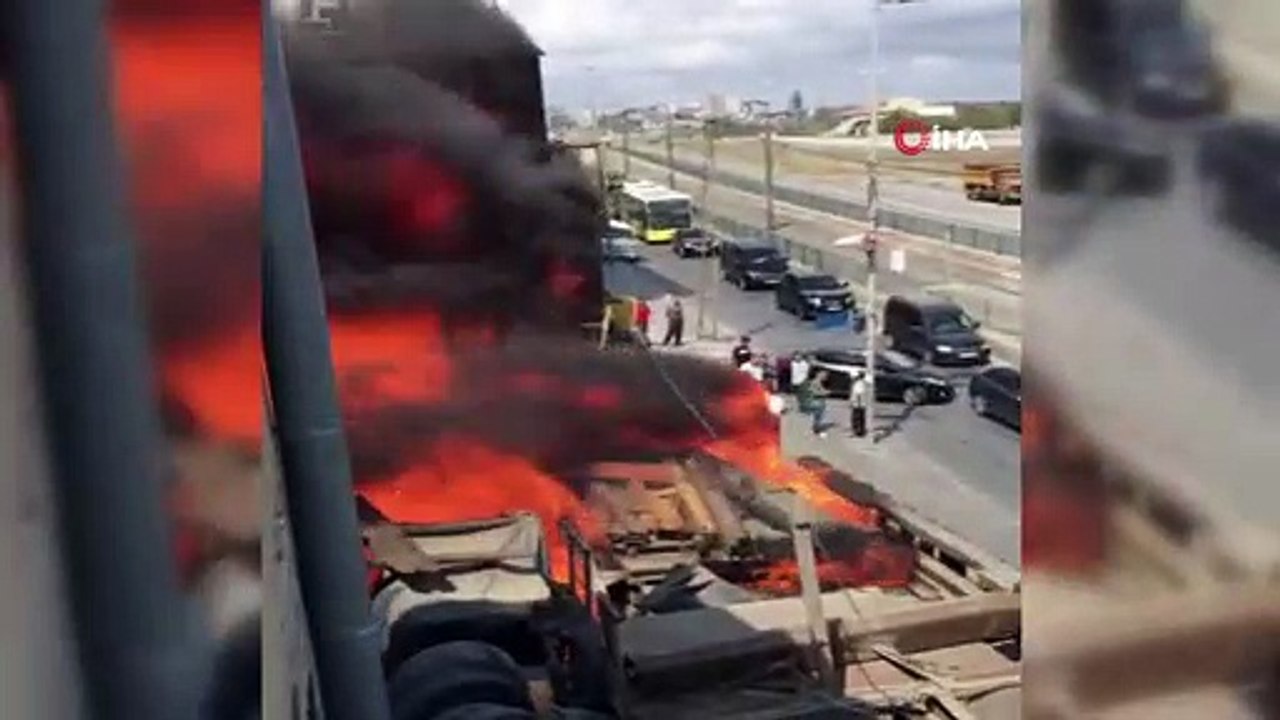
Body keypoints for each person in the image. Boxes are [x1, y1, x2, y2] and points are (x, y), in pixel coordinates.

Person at [795, 371, 829, 438]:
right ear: (819, 375)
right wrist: (824, 393)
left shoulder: (818, 382)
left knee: (818, 416)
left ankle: (815, 429)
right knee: (818, 416)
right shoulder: (815, 382)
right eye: (825, 376)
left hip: (818, 402)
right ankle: (816, 430)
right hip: (815, 401)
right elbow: (814, 392)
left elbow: (820, 390)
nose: (826, 378)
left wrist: (824, 391)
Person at [850, 371, 869, 438]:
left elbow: (858, 394)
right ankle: (860, 431)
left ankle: (858, 432)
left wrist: (857, 403)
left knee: (857, 418)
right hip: (861, 404)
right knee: (861, 418)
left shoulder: (858, 384)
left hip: (858, 404)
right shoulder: (863, 383)